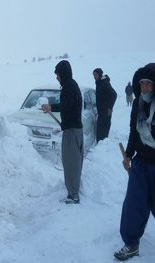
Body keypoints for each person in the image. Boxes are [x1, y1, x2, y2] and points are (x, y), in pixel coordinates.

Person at [114, 63, 155, 261]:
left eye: (148, 84)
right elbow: (134, 132)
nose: (144, 88)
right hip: (141, 164)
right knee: (134, 203)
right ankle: (131, 242)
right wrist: (128, 154)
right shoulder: (138, 104)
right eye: (142, 84)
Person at [42, 60, 83, 204]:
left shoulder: (68, 87)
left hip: (71, 131)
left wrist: (51, 107)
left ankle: (73, 195)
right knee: (74, 162)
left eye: (57, 74)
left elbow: (66, 105)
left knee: (71, 162)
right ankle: (74, 191)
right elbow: (68, 106)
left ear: (63, 74)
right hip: (74, 129)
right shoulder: (72, 85)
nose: (56, 77)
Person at [93, 68, 117, 143]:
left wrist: (110, 107)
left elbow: (114, 94)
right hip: (101, 110)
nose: (94, 77)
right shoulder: (99, 82)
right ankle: (101, 145)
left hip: (106, 111)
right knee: (100, 130)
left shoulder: (104, 83)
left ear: (100, 75)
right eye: (93, 75)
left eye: (95, 75)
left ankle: (102, 146)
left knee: (102, 130)